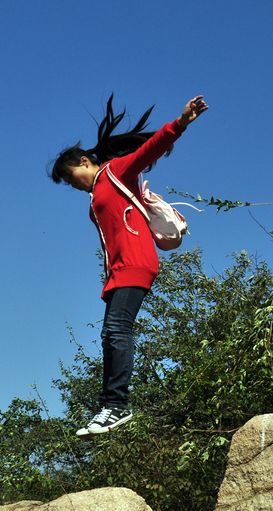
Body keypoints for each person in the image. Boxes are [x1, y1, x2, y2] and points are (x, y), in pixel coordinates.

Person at [51, 95, 208, 436]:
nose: (73, 183)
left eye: (71, 175)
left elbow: (149, 149)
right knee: (111, 333)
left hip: (136, 264)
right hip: (119, 272)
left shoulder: (114, 172)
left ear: (84, 160)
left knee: (116, 331)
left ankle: (115, 407)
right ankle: (112, 406)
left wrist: (179, 124)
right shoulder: (95, 197)